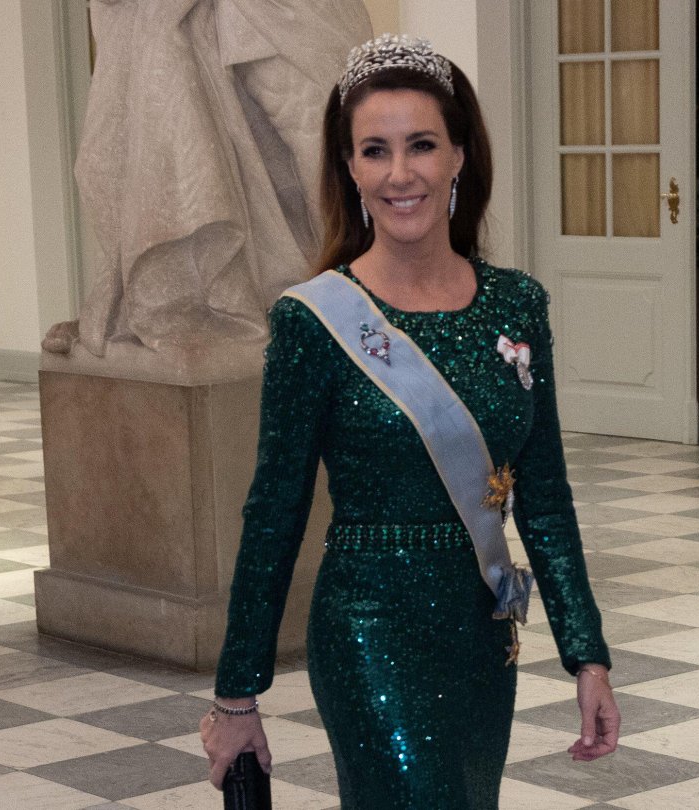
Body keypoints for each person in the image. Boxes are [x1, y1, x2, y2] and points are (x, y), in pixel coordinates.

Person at [201, 34, 619, 808]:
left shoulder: (518, 304)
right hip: (368, 628)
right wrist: (237, 696)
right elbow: (274, 513)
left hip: (482, 632)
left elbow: (548, 496)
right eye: (375, 151)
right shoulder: (316, 320)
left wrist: (586, 656)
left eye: (421, 145)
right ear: (350, 168)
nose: (401, 173)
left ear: (459, 154)